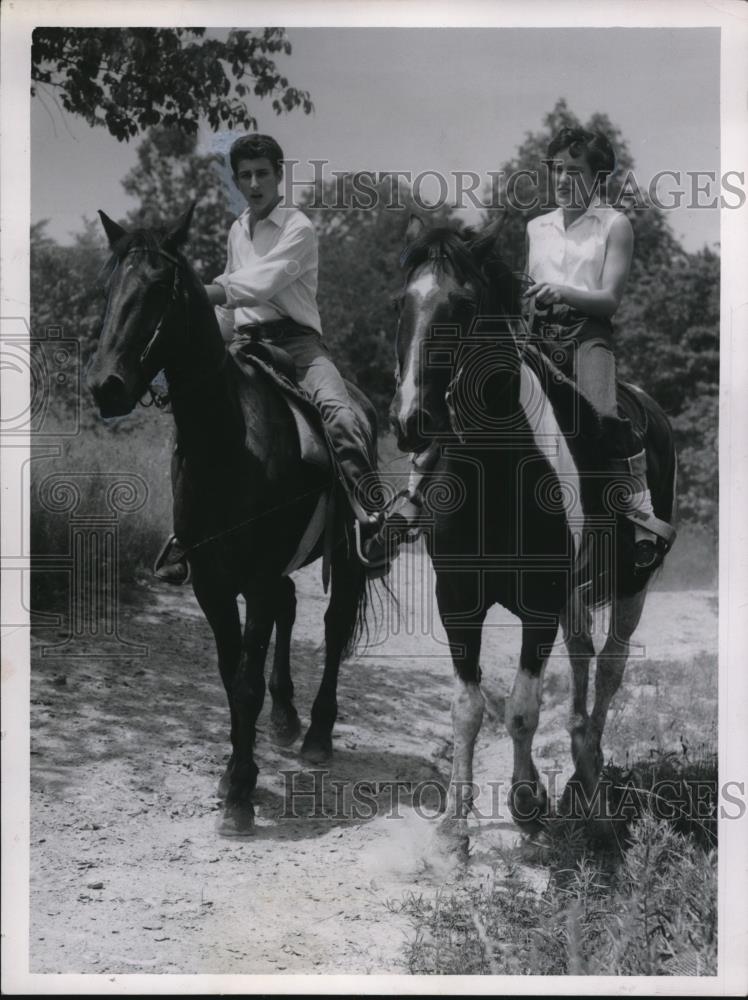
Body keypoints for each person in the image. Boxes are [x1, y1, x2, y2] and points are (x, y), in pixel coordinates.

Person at [155, 133, 395, 583]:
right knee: (189, 423)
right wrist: (203, 336)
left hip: (299, 346)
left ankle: (370, 518)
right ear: (237, 181)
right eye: (244, 175)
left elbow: (259, 284)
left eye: (262, 173)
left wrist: (192, 293)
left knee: (340, 415)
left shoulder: (298, 227)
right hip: (246, 344)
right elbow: (231, 309)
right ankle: (185, 534)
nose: (254, 183)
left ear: (279, 175)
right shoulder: (236, 230)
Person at [523, 126, 676, 570]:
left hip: (588, 335)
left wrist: (562, 292)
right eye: (557, 170)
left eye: (575, 170)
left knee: (605, 414)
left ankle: (640, 515)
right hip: (537, 336)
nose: (563, 179)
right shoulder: (536, 227)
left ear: (598, 176)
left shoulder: (615, 224)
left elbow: (609, 298)